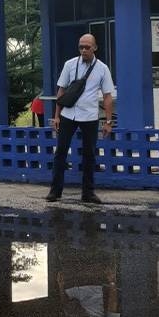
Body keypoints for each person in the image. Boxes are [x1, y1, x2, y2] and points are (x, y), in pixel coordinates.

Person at [46, 34, 114, 204]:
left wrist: (108, 122)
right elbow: (61, 92)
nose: (83, 50)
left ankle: (88, 193)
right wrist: (56, 117)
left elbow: (107, 96)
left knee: (89, 155)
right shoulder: (70, 64)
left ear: (95, 48)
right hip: (68, 114)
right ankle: (55, 191)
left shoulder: (102, 68)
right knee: (60, 152)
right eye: (81, 47)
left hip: (90, 117)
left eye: (87, 47)